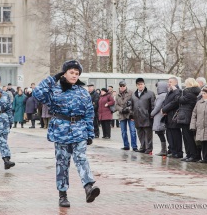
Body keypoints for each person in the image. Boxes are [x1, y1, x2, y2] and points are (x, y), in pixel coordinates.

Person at [33, 60, 100, 207]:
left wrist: (90, 133)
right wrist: (53, 79)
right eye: (71, 72)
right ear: (64, 73)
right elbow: (36, 93)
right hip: (61, 131)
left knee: (81, 157)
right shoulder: (55, 90)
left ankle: (89, 187)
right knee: (62, 163)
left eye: (77, 73)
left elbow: (89, 113)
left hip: (79, 130)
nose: (74, 76)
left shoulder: (82, 92)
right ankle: (62, 195)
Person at [177, 78, 201, 162]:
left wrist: (179, 92)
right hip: (186, 116)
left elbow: (179, 99)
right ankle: (189, 154)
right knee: (186, 137)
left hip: (187, 117)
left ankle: (193, 155)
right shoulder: (191, 93)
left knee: (189, 137)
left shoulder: (190, 94)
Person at [190, 87, 207, 164]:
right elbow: (194, 114)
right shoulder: (199, 102)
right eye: (202, 93)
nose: (202, 95)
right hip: (200, 125)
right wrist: (193, 125)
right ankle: (205, 158)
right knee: (203, 142)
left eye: (204, 93)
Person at [130, 78, 155, 154]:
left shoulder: (150, 93)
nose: (140, 86)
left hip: (147, 116)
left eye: (141, 84)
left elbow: (153, 105)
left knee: (148, 134)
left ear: (144, 84)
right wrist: (132, 115)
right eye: (138, 84)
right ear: (136, 85)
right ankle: (142, 147)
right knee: (140, 133)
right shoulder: (134, 95)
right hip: (137, 117)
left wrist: (151, 115)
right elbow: (131, 106)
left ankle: (149, 148)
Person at [162, 77, 182, 158]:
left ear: (175, 83)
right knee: (169, 135)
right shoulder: (169, 91)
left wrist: (164, 109)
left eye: (170, 82)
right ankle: (173, 151)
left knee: (175, 135)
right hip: (168, 116)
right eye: (168, 82)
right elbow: (165, 102)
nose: (168, 83)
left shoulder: (178, 91)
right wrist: (164, 109)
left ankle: (178, 152)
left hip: (174, 116)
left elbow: (175, 102)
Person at [115, 80, 137, 151]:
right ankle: (126, 145)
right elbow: (116, 105)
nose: (122, 87)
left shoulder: (131, 92)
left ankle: (134, 146)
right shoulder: (117, 94)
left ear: (126, 86)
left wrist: (129, 108)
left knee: (132, 131)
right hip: (122, 115)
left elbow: (134, 102)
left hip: (130, 114)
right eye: (121, 86)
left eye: (123, 86)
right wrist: (121, 109)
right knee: (123, 131)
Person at [150, 82, 167, 156]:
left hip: (159, 116)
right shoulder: (165, 95)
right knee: (161, 133)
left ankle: (164, 150)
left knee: (160, 133)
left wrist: (151, 114)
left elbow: (157, 107)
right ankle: (164, 149)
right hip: (161, 116)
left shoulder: (161, 96)